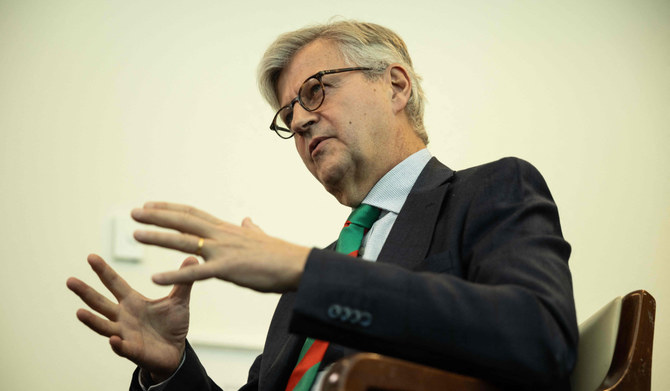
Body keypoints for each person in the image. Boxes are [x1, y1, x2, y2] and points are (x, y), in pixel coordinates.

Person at [67, 20, 578, 390]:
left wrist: (308, 272)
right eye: (288, 115)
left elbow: (540, 340)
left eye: (316, 91)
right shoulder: (308, 282)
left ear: (395, 85)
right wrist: (171, 366)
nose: (301, 121)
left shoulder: (490, 191)